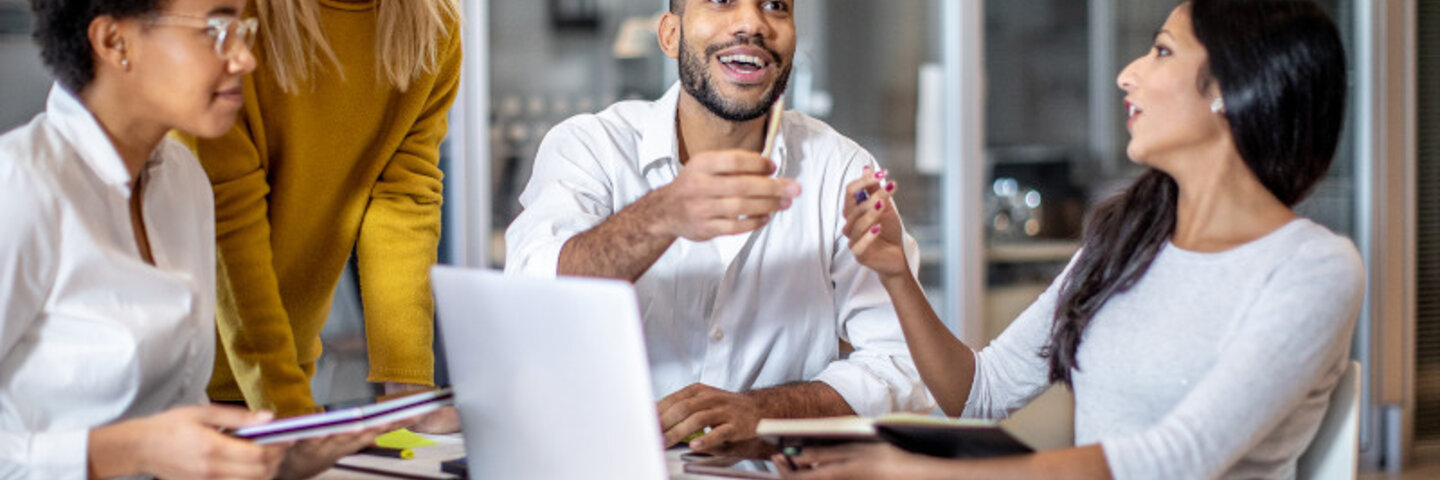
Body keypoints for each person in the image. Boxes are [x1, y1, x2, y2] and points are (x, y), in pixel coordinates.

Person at [781, 0, 1361, 478]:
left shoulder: (1313, 267)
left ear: (1229, 88)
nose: (1126, 73)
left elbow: (1176, 460)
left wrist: (908, 470)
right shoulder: (1127, 240)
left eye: (1162, 51)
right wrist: (894, 274)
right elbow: (977, 394)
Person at [505, 0, 932, 455]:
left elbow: (903, 363)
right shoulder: (591, 148)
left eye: (775, 6)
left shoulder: (840, 169)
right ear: (670, 34)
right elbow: (529, 300)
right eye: (722, 0)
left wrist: (767, 414)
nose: (752, 23)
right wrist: (661, 214)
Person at [0, 0, 382, 477]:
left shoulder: (183, 183)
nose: (245, 58)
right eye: (217, 29)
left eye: (242, 29)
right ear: (115, 43)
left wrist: (279, 459)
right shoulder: (20, 185)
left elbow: (180, 424)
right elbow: (147, 447)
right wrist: (127, 451)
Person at [186, 0, 463, 430]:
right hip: (171, 376)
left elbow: (402, 204)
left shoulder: (432, 25)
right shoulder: (230, 17)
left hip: (280, 376)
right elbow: (227, 216)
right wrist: (291, 419)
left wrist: (407, 397)